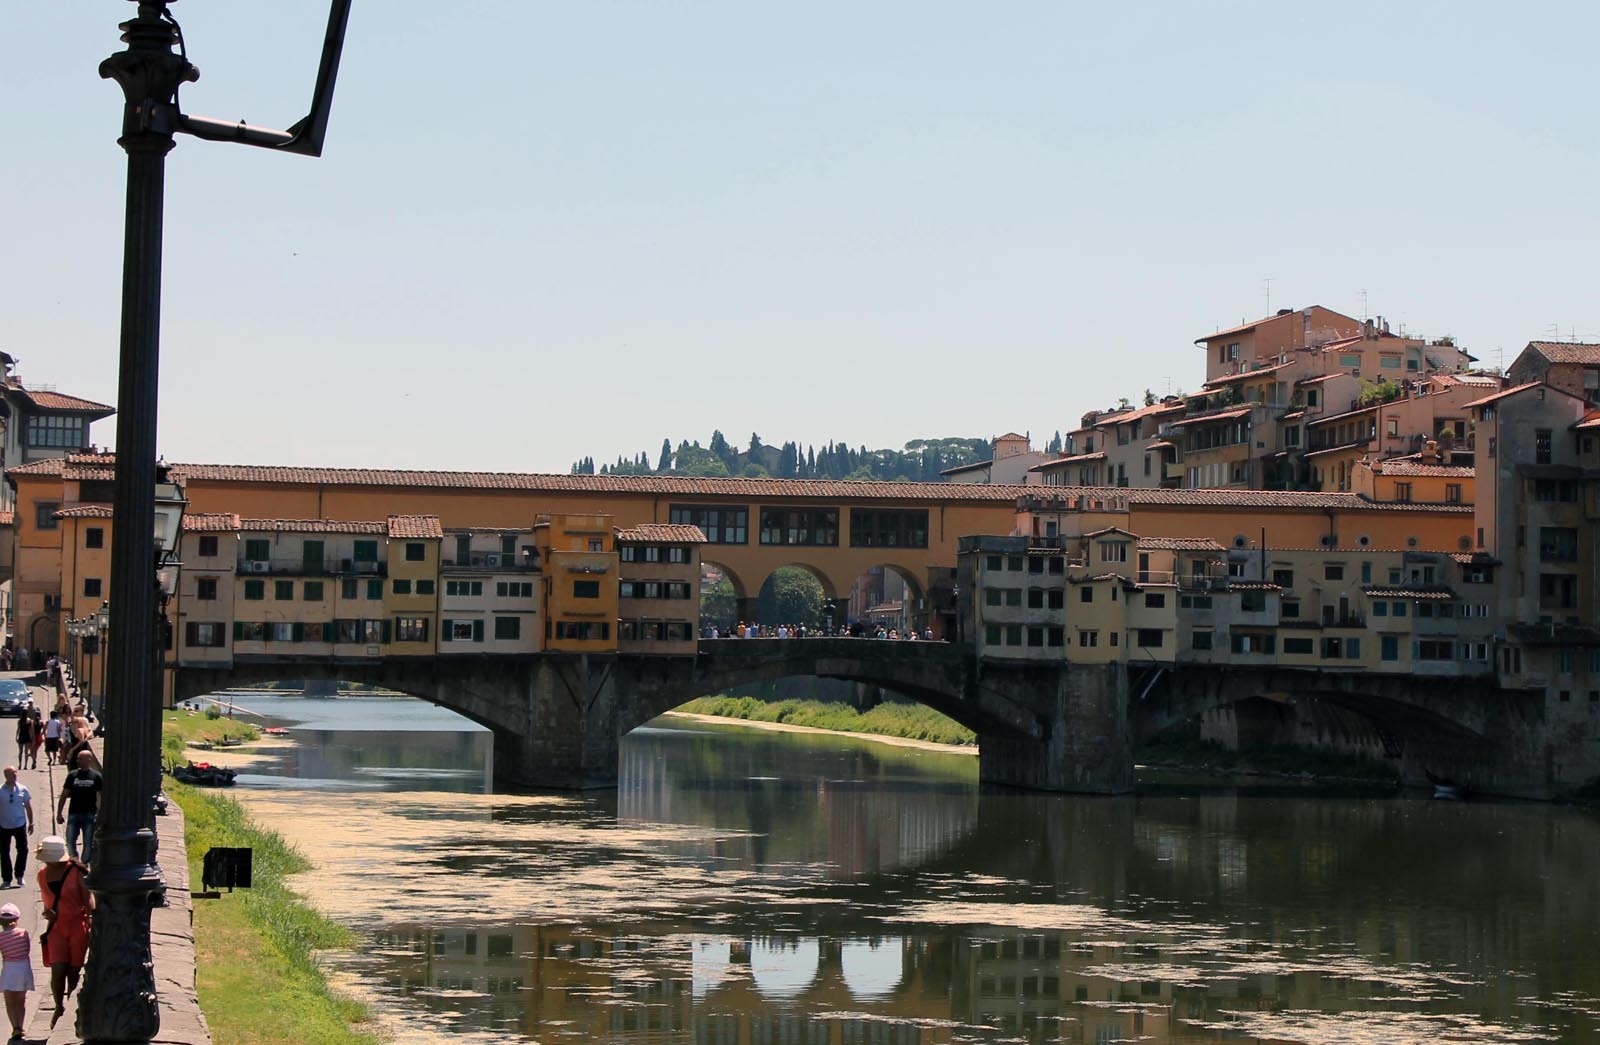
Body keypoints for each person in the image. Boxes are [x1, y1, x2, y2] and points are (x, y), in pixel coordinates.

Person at [35, 836, 90, 1029]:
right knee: (57, 970)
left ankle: (71, 1008)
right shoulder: (42, 875)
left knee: (74, 971)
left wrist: (92, 925)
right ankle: (59, 1006)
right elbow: (47, 902)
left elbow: (88, 903)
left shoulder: (77, 872)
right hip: (57, 928)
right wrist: (47, 912)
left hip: (78, 926)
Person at [56, 752, 102, 866]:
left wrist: (100, 814)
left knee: (88, 842)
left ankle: (84, 864)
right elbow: (64, 794)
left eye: (80, 758)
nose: (77, 760)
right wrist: (59, 813)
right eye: (78, 758)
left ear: (89, 760)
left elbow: (100, 797)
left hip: (90, 814)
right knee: (70, 840)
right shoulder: (72, 775)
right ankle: (74, 861)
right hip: (74, 813)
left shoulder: (96, 776)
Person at [0, 901, 30, 1040]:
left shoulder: (1, 937)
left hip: (9, 969)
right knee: (21, 1000)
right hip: (23, 968)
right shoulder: (24, 933)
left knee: (10, 1001)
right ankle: (21, 1026)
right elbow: (27, 950)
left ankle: (15, 1027)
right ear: (17, 919)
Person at [0, 770, 29, 892]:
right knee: (4, 852)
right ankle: (7, 879)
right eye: (12, 773)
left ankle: (19, 875)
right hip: (4, 825)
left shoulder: (22, 789)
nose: (15, 775)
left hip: (19, 824)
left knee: (23, 850)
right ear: (6, 776)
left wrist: (31, 822)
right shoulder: (1, 790)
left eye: (16, 773)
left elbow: (28, 805)